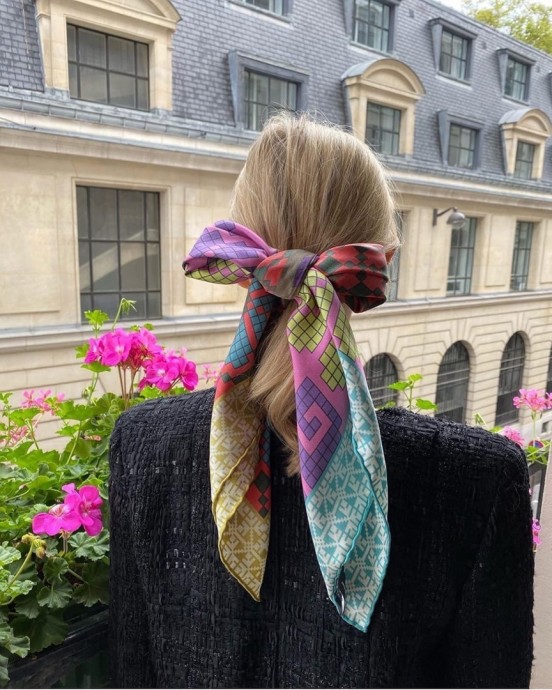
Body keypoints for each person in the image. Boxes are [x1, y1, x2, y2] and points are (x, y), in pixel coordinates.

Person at [108, 113, 534, 689]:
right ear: (377, 265)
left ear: (238, 260)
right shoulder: (478, 478)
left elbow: (132, 670)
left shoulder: (141, 447)